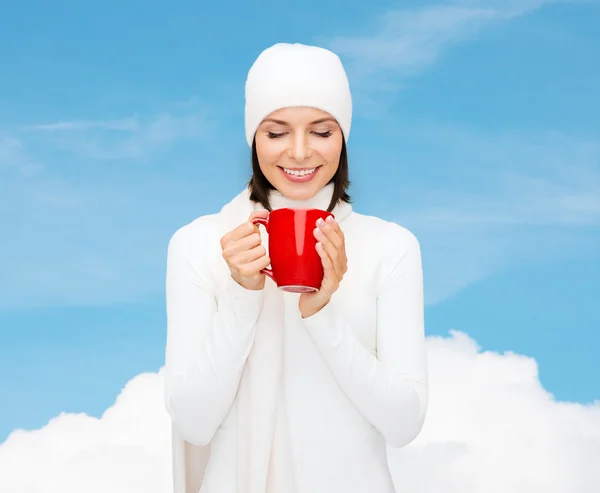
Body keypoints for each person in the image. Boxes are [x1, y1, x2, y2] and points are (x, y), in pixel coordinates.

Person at [164, 42, 428, 493]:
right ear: (252, 138)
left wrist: (321, 313)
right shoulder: (201, 244)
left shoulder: (391, 246)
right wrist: (243, 294)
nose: (300, 152)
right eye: (276, 132)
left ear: (343, 138)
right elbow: (193, 422)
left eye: (322, 132)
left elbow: (404, 423)